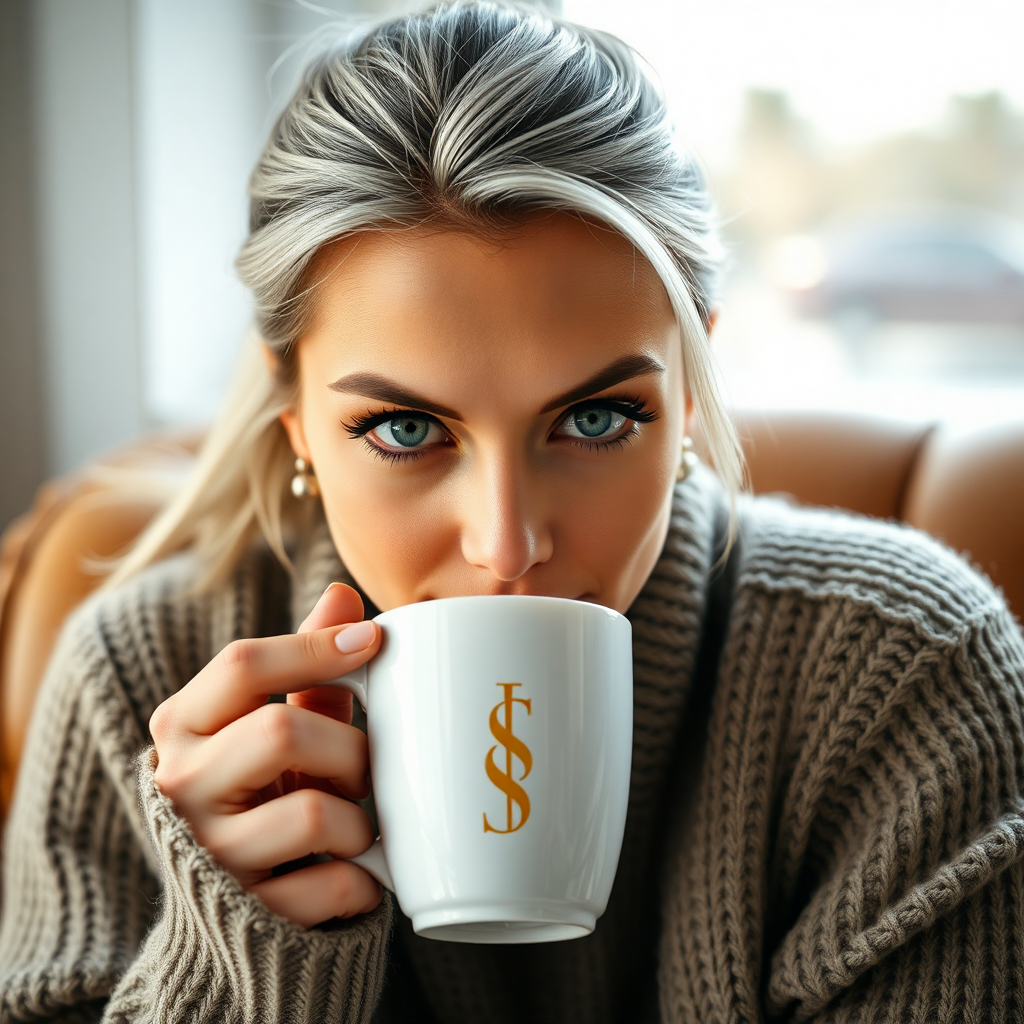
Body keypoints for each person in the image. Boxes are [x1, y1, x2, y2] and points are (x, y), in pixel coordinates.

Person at [2, 2, 1024, 1021]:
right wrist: (242, 968)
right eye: (405, 429)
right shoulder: (133, 676)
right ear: (295, 415)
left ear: (688, 391)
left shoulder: (905, 671)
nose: (506, 545)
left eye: (596, 417)